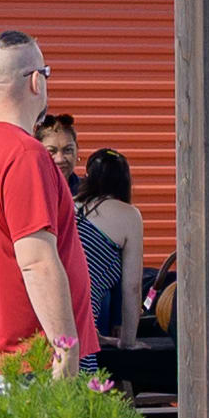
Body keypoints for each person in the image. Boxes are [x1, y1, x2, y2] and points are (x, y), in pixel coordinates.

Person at [0, 28, 93, 378]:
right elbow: (37, 262)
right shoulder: (24, 154)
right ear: (36, 82)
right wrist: (66, 349)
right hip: (27, 361)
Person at [71, 146, 142, 344]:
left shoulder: (67, 205)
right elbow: (133, 287)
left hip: (50, 325)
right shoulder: (129, 215)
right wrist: (128, 342)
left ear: (87, 177)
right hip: (80, 333)